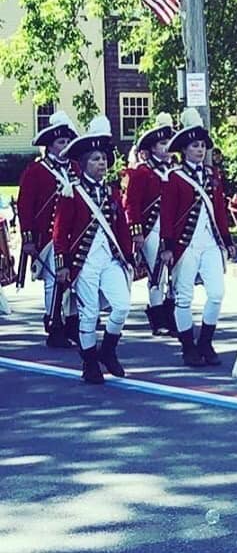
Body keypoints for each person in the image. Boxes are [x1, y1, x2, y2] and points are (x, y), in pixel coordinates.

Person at [52, 116, 133, 384]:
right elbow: (60, 231)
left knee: (121, 306)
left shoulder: (110, 192)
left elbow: (120, 226)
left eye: (103, 159)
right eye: (96, 159)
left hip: (109, 258)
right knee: (88, 313)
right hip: (84, 261)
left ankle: (108, 351)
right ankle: (89, 362)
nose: (101, 163)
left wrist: (128, 256)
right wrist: (63, 264)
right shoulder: (71, 191)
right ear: (84, 163)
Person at [160, 108, 235, 367]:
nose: (200, 150)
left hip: (210, 242)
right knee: (184, 297)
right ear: (185, 150)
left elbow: (220, 211)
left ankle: (205, 341)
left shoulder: (212, 176)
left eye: (202, 145)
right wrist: (167, 246)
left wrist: (227, 240)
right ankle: (188, 346)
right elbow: (167, 214)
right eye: (195, 146)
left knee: (216, 292)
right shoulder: (174, 177)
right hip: (185, 244)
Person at [17, 110, 79, 348]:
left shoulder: (75, 167)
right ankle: (54, 324)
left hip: (73, 236)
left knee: (75, 279)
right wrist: (29, 239)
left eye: (67, 142)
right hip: (49, 237)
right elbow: (25, 206)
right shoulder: (37, 170)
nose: (64, 146)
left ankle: (72, 322)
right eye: (60, 142)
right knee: (54, 281)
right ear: (50, 146)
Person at [123, 113, 175, 335]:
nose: (167, 148)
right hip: (151, 228)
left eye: (169, 143)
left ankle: (171, 313)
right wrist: (136, 231)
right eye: (163, 144)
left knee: (175, 272)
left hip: (173, 228)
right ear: (152, 148)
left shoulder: (176, 170)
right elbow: (131, 204)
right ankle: (157, 316)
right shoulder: (141, 172)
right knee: (157, 273)